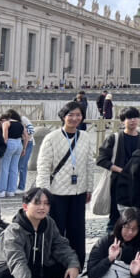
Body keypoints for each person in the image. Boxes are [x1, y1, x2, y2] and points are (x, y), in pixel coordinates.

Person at [35, 101, 94, 268]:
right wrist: (43, 193)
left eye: (78, 115)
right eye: (71, 115)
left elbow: (90, 164)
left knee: (77, 231)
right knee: (56, 232)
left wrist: (89, 188)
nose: (75, 118)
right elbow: (44, 167)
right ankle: (56, 267)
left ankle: (77, 266)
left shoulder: (86, 137)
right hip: (56, 193)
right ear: (63, 117)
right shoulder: (51, 138)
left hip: (79, 191)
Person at [97, 106, 140, 232]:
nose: (133, 120)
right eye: (129, 118)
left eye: (136, 117)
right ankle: (112, 243)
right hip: (118, 183)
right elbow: (101, 160)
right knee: (115, 218)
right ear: (122, 121)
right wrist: (120, 170)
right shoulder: (114, 138)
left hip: (138, 185)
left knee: (136, 216)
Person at [0, 109, 28, 198]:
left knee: (4, 167)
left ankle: (1, 191)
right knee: (14, 168)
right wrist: (24, 148)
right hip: (19, 144)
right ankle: (11, 190)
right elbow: (26, 137)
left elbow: (5, 137)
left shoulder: (6, 123)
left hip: (10, 143)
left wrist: (2, 147)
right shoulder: (20, 124)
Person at [16, 114, 35, 194]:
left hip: (28, 142)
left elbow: (32, 130)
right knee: (19, 165)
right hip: (19, 141)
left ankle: (21, 187)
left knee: (22, 165)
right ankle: (19, 186)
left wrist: (23, 132)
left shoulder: (23, 118)